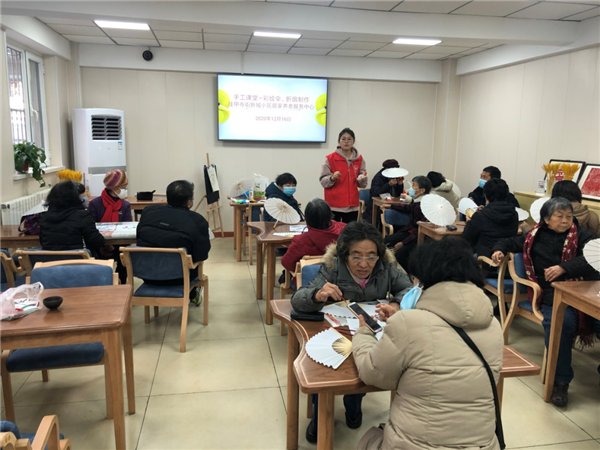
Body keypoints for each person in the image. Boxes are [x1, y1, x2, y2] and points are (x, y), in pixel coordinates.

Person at [353, 237, 503, 450]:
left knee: (369, 439)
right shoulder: (494, 325)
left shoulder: (409, 324)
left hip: (415, 446)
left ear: (427, 278)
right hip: (483, 446)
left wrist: (363, 334)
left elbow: (372, 373)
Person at [291, 221, 412, 444]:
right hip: (337, 333)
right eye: (356, 256)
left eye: (371, 256)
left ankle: (354, 401)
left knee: (368, 364)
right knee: (323, 368)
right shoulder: (333, 267)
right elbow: (298, 300)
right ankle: (320, 414)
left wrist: (395, 304)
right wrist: (318, 294)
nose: (364, 264)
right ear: (345, 254)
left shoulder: (387, 266)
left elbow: (409, 290)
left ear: (379, 254)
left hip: (370, 333)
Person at [491, 197, 600, 407]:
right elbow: (507, 242)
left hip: (583, 289)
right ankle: (560, 381)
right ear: (546, 219)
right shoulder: (533, 236)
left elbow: (593, 257)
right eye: (560, 216)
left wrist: (565, 268)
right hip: (552, 295)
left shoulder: (583, 235)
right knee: (562, 325)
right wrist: (498, 249)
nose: (566, 221)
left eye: (569, 216)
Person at [137, 180, 211, 288]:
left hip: (147, 275)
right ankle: (192, 293)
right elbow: (201, 255)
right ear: (189, 202)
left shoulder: (148, 212)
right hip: (181, 278)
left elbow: (138, 238)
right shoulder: (197, 221)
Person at [40, 181, 112, 258]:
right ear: (74, 198)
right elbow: (96, 240)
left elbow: (42, 241)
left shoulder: (44, 217)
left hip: (50, 265)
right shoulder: (82, 215)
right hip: (77, 264)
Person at [281, 198, 345, 273]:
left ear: (307, 218)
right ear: (330, 215)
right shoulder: (345, 231)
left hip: (309, 280)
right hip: (339, 277)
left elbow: (287, 263)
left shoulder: (301, 241)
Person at [462, 178, 519, 260]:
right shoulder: (514, 214)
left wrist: (470, 222)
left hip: (484, 259)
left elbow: (466, 239)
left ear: (485, 195)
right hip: (506, 257)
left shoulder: (481, 216)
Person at [320, 127, 368, 223]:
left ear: (353, 141)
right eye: (343, 139)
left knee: (350, 235)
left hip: (352, 206)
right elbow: (323, 181)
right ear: (339, 141)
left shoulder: (359, 159)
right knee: (333, 234)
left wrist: (362, 179)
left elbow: (362, 184)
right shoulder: (330, 158)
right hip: (334, 206)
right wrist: (332, 177)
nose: (346, 142)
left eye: (349, 139)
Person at [384, 175, 432, 271]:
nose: (411, 188)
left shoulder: (425, 205)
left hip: (417, 235)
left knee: (400, 254)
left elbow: (419, 228)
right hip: (410, 231)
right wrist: (391, 206)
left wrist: (403, 243)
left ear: (422, 190)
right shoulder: (417, 201)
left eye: (414, 185)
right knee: (386, 241)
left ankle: (410, 276)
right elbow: (408, 208)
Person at [370, 159, 409, 228]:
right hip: (379, 204)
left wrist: (400, 184)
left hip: (392, 202)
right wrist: (388, 184)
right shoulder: (379, 177)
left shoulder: (396, 175)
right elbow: (375, 193)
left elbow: (398, 194)